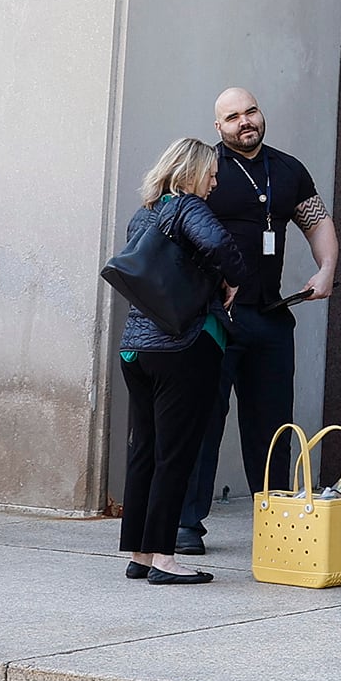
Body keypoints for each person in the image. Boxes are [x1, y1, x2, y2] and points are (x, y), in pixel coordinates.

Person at [178, 87, 338, 555]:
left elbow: (316, 221)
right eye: (233, 117)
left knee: (272, 428)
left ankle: (278, 524)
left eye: (250, 111)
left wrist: (327, 267)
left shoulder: (287, 169)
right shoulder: (205, 169)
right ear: (218, 127)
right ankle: (187, 524)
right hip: (213, 319)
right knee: (204, 420)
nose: (244, 121)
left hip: (270, 317)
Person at [116, 138, 250, 584]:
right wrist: (233, 279)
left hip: (136, 349)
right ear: (191, 173)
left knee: (145, 452)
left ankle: (140, 552)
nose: (214, 182)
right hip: (183, 346)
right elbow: (218, 244)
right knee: (176, 456)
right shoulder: (190, 207)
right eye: (211, 174)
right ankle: (165, 559)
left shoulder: (145, 212)